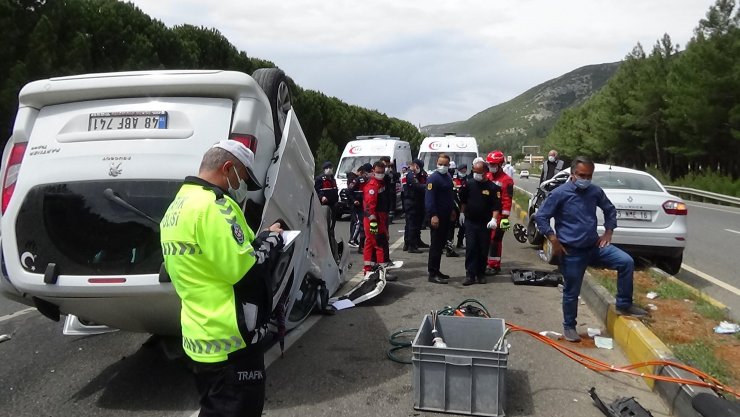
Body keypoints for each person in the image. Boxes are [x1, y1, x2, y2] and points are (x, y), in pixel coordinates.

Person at [161, 139, 284, 417]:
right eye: (242, 178)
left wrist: (258, 240)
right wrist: (272, 241)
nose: (241, 187)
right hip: (233, 341)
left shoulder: (176, 207)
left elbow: (208, 262)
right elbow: (246, 270)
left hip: (199, 337)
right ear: (228, 168)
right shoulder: (215, 206)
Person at [534, 156, 647, 342]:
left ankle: (624, 304)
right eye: (581, 175)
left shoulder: (594, 191)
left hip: (594, 247)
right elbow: (542, 217)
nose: (585, 179)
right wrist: (553, 239)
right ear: (573, 174)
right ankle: (569, 327)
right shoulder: (560, 193)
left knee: (626, 262)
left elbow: (609, 209)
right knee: (571, 291)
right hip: (571, 252)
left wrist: (608, 232)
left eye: (588, 176)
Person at [459, 161, 502, 285]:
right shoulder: (468, 184)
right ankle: (470, 274)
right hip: (471, 222)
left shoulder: (493, 188)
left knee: (483, 249)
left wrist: (494, 219)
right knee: (471, 248)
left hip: (485, 223)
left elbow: (496, 206)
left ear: (485, 172)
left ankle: (481, 273)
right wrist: (462, 213)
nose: (476, 174)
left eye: (479, 172)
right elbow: (463, 201)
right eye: (474, 172)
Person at [425, 154, 456, 284]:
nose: (442, 166)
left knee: (441, 245)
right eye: (440, 164)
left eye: (445, 164)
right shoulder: (433, 179)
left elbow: (450, 196)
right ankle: (432, 273)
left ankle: (437, 270)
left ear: (449, 165)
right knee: (436, 246)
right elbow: (429, 199)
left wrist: (453, 210)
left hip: (446, 216)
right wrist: (433, 215)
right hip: (437, 217)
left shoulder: (448, 177)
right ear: (437, 163)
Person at [363, 161, 397, 281]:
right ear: (373, 171)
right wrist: (373, 223)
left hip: (379, 218)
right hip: (374, 219)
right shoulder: (373, 185)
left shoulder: (381, 183)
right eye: (378, 172)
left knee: (370, 244)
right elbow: (370, 206)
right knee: (379, 244)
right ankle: (381, 271)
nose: (380, 174)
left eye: (382, 172)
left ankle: (368, 269)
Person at [485, 150, 513, 273]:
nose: (491, 166)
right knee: (485, 239)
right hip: (486, 213)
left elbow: (507, 199)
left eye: (493, 164)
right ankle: (486, 262)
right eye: (489, 164)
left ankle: (494, 265)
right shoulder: (487, 176)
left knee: (495, 240)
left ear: (500, 164)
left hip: (500, 215)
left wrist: (505, 219)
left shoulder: (507, 180)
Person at [403, 159, 427, 253]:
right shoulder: (410, 175)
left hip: (418, 201)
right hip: (411, 202)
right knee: (412, 224)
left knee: (417, 223)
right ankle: (411, 245)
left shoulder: (420, 174)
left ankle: (416, 241)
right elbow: (417, 186)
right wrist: (429, 186)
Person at [347, 163, 372, 249]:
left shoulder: (371, 180)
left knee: (364, 225)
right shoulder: (358, 180)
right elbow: (349, 191)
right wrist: (354, 200)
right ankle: (352, 239)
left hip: (366, 205)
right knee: (358, 223)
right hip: (357, 206)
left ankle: (362, 244)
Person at [314, 161, 339, 231]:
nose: (329, 169)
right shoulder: (320, 179)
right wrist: (321, 197)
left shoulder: (333, 179)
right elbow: (317, 190)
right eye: (327, 168)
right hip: (325, 204)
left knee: (333, 222)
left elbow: (335, 190)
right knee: (325, 222)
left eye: (330, 167)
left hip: (333, 203)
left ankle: (331, 235)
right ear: (324, 169)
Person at [453, 163, 469, 249]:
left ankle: (460, 242)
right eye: (462, 169)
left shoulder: (468, 179)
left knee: (463, 224)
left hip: (464, 204)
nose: (463, 171)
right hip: (455, 204)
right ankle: (448, 244)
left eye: (465, 169)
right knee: (451, 225)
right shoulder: (454, 179)